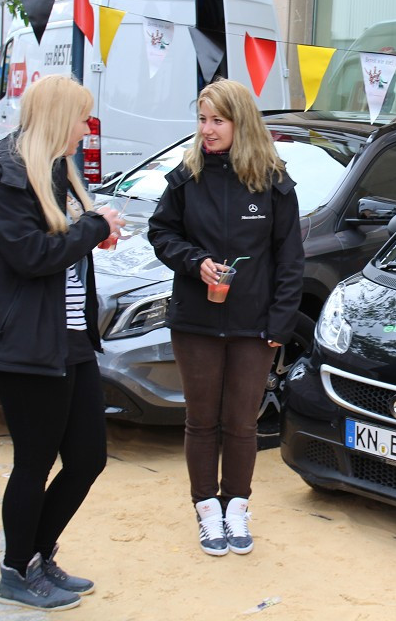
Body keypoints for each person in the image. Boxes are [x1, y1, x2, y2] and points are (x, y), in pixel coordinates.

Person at [0, 75, 125, 611]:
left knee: (87, 458)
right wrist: (94, 227)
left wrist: (92, 230)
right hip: (24, 342)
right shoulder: (2, 174)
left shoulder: (56, 168)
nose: (85, 127)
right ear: (58, 118)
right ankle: (16, 569)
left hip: (67, 335)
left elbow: (61, 249)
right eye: (81, 117)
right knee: (34, 460)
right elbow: (31, 256)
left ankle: (37, 553)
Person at [148, 78, 304, 558]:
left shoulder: (274, 181)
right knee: (201, 422)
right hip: (196, 321)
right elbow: (160, 233)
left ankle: (236, 506)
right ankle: (206, 510)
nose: (207, 130)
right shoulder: (185, 177)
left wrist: (279, 326)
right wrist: (195, 261)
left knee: (240, 423)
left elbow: (290, 261)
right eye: (202, 120)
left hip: (253, 327)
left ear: (241, 122)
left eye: (217, 120)